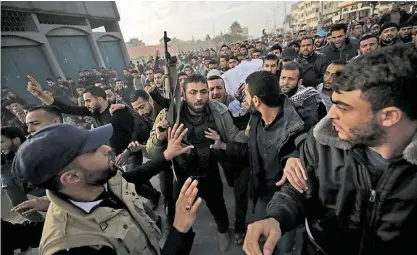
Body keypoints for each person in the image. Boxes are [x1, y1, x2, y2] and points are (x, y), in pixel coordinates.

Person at [243, 44, 417, 255]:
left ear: (389, 116)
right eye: (333, 102)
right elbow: (297, 190)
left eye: (343, 107)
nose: (331, 114)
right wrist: (276, 218)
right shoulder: (323, 141)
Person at [12, 123, 202, 255]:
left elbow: (131, 178)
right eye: (93, 149)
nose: (106, 148)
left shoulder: (97, 180)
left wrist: (166, 155)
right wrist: (180, 228)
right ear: (72, 177)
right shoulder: (77, 247)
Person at [146, 74, 248, 252]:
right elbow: (152, 152)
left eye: (203, 92)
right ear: (184, 94)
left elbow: (235, 137)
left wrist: (248, 130)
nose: (199, 97)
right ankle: (183, 244)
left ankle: (224, 231)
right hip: (182, 175)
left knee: (218, 205)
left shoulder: (219, 111)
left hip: (210, 171)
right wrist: (160, 136)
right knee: (183, 213)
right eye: (193, 92)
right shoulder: (168, 114)